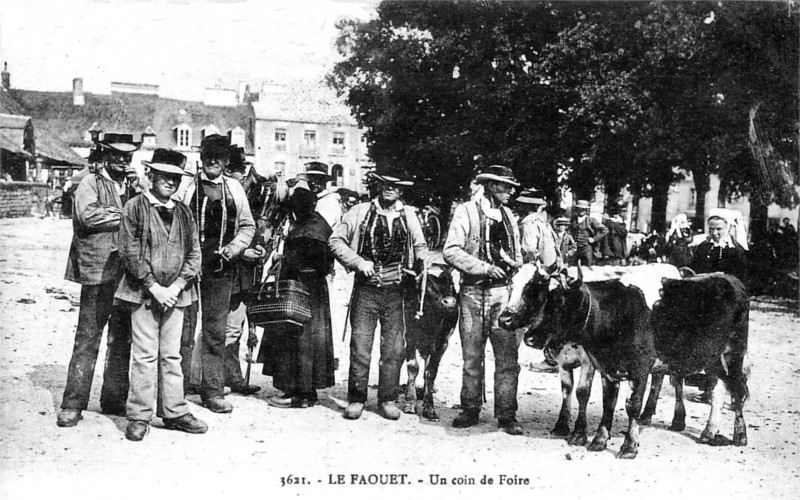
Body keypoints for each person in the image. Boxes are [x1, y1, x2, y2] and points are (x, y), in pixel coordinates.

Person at [114, 148, 207, 441]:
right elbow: (129, 251)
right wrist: (154, 287)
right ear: (150, 175)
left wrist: (177, 286)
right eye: (165, 176)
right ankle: (139, 415)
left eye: (176, 178)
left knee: (172, 354)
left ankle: (175, 411)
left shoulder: (184, 211)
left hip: (176, 295)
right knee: (144, 355)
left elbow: (194, 253)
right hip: (143, 293)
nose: (170, 182)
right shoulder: (134, 207)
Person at [329, 171, 429, 421]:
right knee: (361, 346)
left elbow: (420, 246)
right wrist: (357, 261)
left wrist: (421, 262)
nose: (389, 189)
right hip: (366, 290)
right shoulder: (360, 212)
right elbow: (335, 240)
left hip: (397, 292)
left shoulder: (409, 215)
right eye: (385, 184)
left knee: (394, 349)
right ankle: (356, 398)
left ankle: (387, 398)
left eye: (394, 185)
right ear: (377, 185)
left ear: (401, 190)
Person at [57, 133, 140, 428]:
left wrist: (138, 190)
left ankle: (114, 399)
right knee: (88, 338)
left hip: (126, 274)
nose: (122, 160)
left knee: (121, 339)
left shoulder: (133, 186)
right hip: (97, 272)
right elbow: (88, 217)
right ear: (105, 155)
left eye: (128, 156)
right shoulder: (89, 183)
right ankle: (73, 404)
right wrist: (129, 214)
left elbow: (149, 212)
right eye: (117, 155)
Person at [176, 134, 255, 414]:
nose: (213, 161)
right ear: (201, 157)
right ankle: (177, 390)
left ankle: (212, 391)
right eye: (209, 155)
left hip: (220, 270)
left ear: (225, 161)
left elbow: (247, 226)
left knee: (215, 332)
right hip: (187, 270)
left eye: (219, 157)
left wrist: (234, 248)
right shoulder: (185, 186)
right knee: (182, 330)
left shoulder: (234, 188)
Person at [443, 165, 524, 435]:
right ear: (491, 186)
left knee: (507, 357)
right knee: (472, 356)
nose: (511, 191)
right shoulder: (466, 211)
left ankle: (506, 414)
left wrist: (514, 262)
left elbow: (518, 252)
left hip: (503, 294)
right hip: (473, 293)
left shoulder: (509, 215)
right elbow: (451, 251)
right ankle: (470, 408)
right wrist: (484, 267)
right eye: (505, 186)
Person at [258, 187, 336, 408]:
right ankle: (307, 391)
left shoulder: (304, 230)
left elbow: (303, 262)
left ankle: (297, 393)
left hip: (299, 290)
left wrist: (283, 259)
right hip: (316, 292)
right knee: (311, 341)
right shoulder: (319, 224)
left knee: (297, 339)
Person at [516, 191, 560, 374]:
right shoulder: (544, 222)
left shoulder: (529, 223)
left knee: (520, 308)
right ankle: (552, 357)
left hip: (537, 271)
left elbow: (529, 249)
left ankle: (515, 350)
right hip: (553, 271)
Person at [690, 211, 748, 279]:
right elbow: (694, 267)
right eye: (711, 229)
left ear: (727, 229)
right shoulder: (703, 246)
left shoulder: (735, 250)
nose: (714, 233)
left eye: (719, 229)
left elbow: (741, 274)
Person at [569, 199, 607, 266]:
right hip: (575, 248)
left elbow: (605, 230)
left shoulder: (591, 220)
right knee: (573, 267)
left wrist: (594, 238)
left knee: (587, 267)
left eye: (583, 209)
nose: (581, 211)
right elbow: (570, 231)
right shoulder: (573, 220)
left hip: (586, 248)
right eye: (579, 209)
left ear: (586, 210)